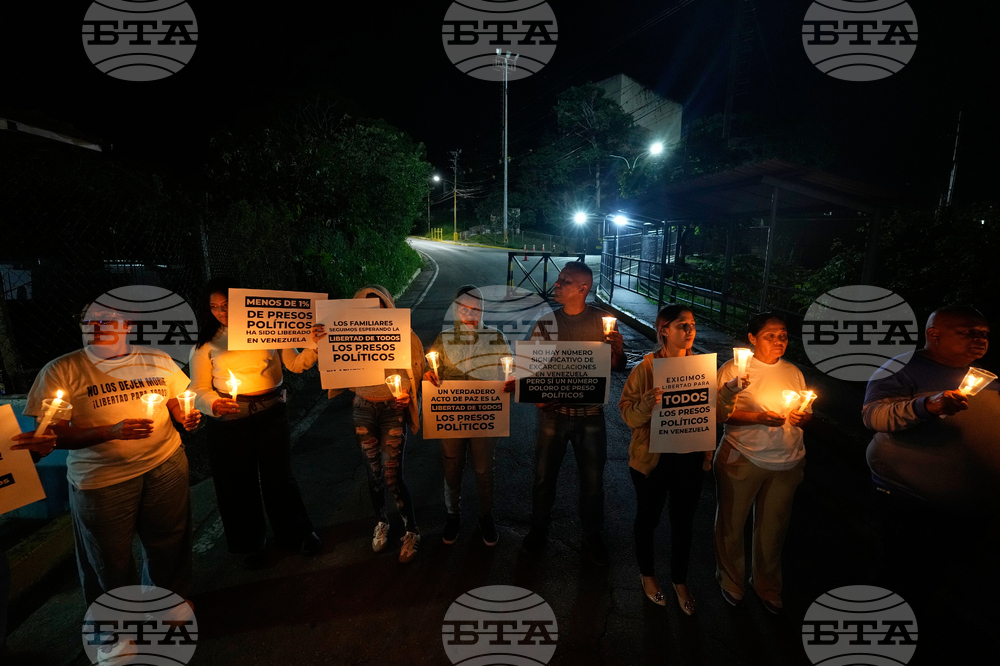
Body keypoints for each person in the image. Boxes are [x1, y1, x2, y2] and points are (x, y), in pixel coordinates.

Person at [20, 302, 201, 614]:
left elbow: (176, 401)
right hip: (101, 480)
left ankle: (168, 601)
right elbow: (51, 435)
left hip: (165, 464)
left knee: (169, 541)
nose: (98, 325)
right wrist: (110, 431)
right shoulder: (62, 370)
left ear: (128, 325)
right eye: (89, 320)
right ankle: (117, 626)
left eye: (107, 319)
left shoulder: (156, 359)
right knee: (108, 557)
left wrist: (187, 417)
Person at [863, 306, 998, 609]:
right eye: (967, 332)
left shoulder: (982, 378)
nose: (979, 340)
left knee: (932, 578)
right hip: (910, 501)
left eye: (984, 334)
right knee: (897, 573)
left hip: (966, 507)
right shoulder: (902, 368)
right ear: (933, 334)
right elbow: (874, 416)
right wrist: (925, 406)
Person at [619, 305, 748, 614]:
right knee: (648, 520)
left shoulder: (701, 369)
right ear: (664, 330)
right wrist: (647, 404)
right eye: (682, 325)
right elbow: (628, 415)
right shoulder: (647, 369)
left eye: (692, 324)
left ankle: (679, 580)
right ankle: (647, 575)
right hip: (653, 461)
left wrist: (729, 391)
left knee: (683, 524)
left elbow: (716, 414)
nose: (690, 331)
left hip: (690, 459)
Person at [188, 278, 323, 569]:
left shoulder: (269, 328)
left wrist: (314, 346)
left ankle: (298, 533)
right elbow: (197, 388)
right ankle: (252, 543)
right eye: (214, 307)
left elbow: (295, 365)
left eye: (226, 305)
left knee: (279, 477)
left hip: (271, 415)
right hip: (228, 420)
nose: (220, 312)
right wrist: (212, 403)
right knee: (238, 483)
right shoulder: (207, 344)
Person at [521, 261, 626, 566]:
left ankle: (592, 536)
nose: (557, 283)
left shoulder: (604, 322)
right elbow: (531, 367)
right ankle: (538, 530)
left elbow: (617, 366)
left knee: (592, 482)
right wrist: (538, 399)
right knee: (543, 478)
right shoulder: (546, 323)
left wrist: (617, 349)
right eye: (558, 278)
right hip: (553, 415)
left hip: (590, 415)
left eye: (565, 281)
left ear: (583, 289)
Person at [714, 312, 811, 614]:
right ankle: (731, 580)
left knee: (773, 528)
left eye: (783, 334)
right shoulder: (733, 370)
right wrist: (758, 417)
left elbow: (804, 410)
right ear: (753, 339)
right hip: (743, 455)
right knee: (732, 523)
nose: (779, 340)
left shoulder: (793, 371)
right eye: (770, 335)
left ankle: (767, 585)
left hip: (788, 460)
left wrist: (803, 416)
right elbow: (718, 412)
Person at [330, 285, 425, 563]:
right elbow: (329, 359)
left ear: (388, 305)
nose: (374, 310)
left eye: (379, 304)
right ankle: (381, 521)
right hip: (362, 408)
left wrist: (406, 392)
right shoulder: (346, 330)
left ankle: (411, 530)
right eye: (366, 306)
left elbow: (416, 369)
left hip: (391, 410)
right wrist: (320, 340)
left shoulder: (404, 334)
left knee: (392, 474)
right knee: (373, 474)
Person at [423, 285, 514, 546]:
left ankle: (485, 516)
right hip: (452, 416)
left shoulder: (496, 337)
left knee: (484, 469)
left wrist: (512, 379)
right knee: (451, 465)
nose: (470, 314)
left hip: (485, 416)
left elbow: (509, 367)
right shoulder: (444, 338)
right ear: (456, 309)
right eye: (464, 308)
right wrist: (428, 376)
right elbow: (432, 370)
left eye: (476, 308)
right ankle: (453, 515)